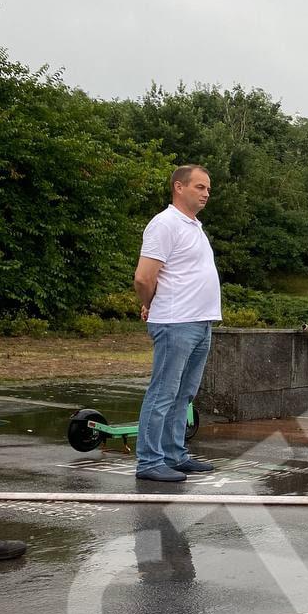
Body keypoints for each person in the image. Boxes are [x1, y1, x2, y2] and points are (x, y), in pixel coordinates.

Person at [132, 165, 221, 483]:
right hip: (175, 322)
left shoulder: (193, 226)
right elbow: (144, 277)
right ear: (179, 187)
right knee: (163, 393)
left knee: (184, 394)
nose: (206, 193)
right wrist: (149, 303)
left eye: (208, 188)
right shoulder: (165, 224)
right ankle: (149, 461)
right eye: (200, 187)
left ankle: (173, 454)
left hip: (199, 322)